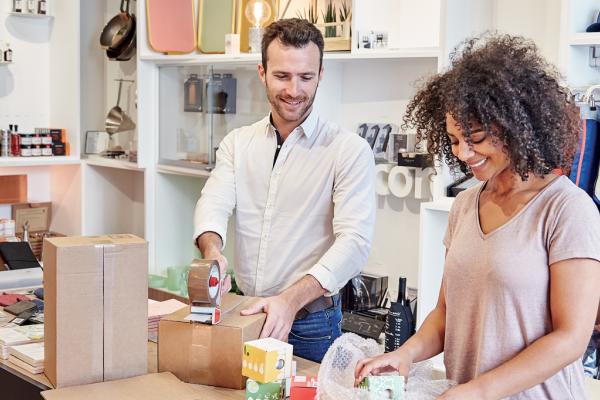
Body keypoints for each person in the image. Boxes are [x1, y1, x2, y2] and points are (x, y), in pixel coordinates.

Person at [355, 34, 600, 399]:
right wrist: (404, 356)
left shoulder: (566, 209)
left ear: (517, 126)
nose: (465, 153)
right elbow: (444, 314)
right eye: (454, 140)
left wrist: (479, 391)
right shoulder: (465, 205)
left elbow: (570, 339)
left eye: (478, 138)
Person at [193, 18, 375, 363]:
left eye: (306, 77)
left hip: (311, 324)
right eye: (282, 76)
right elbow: (213, 202)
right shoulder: (238, 143)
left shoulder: (347, 150)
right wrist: (212, 250)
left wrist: (289, 301)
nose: (294, 90)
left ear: (320, 75)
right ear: (262, 73)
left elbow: (354, 243)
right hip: (247, 311)